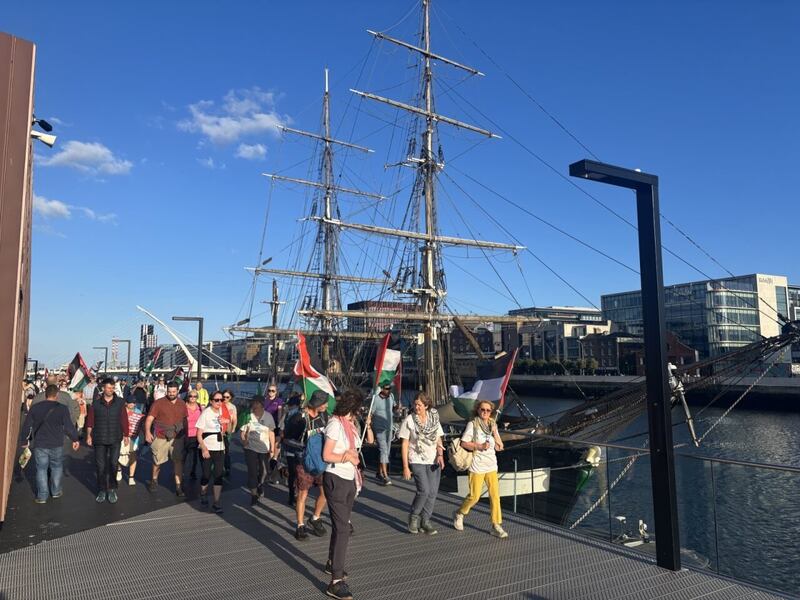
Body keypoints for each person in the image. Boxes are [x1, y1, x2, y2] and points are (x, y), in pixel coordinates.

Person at [321, 389, 364, 600]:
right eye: (356, 411)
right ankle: (336, 581)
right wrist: (346, 456)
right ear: (350, 408)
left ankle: (332, 562)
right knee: (343, 528)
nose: (357, 415)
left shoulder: (350, 426)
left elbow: (364, 445)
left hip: (349, 479)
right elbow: (327, 454)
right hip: (336, 477)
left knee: (341, 525)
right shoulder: (335, 425)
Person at [453, 400, 508, 539]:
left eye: (488, 410)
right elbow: (464, 442)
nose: (485, 412)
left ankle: (496, 525)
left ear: (491, 412)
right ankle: (460, 513)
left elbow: (498, 442)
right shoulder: (473, 424)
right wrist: (479, 446)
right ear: (478, 410)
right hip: (477, 466)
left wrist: (498, 443)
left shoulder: (492, 424)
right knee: (474, 496)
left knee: (495, 496)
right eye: (482, 409)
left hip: (491, 466)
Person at [19, 384, 80, 504]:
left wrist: (24, 441)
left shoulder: (36, 407)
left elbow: (27, 425)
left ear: (45, 394)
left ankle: (42, 496)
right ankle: (56, 491)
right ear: (57, 395)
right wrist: (75, 439)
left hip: (40, 443)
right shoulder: (62, 408)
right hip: (56, 443)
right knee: (56, 467)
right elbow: (68, 426)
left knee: (41, 469)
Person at [283, 390, 328, 540]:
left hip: (321, 460)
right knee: (303, 493)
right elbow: (286, 439)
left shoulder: (324, 416)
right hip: (304, 461)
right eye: (324, 403)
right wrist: (304, 446)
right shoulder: (299, 418)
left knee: (325, 492)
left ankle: (315, 517)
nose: (327, 406)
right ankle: (300, 525)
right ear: (317, 404)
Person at [398, 392, 445, 535]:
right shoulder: (409, 420)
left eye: (419, 404)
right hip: (417, 459)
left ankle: (426, 521)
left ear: (426, 405)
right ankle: (414, 517)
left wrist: (441, 454)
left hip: (433, 459)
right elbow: (405, 444)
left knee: (432, 492)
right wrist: (406, 466)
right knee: (423, 490)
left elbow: (438, 437)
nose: (416, 407)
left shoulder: (434, 418)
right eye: (415, 404)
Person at [86, 378, 130, 504]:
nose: (111, 390)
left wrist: (126, 435)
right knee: (100, 466)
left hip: (115, 437)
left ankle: (111, 489)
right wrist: (89, 435)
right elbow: (90, 421)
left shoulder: (120, 402)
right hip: (99, 438)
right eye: (109, 388)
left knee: (113, 464)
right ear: (103, 388)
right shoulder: (96, 403)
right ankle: (102, 489)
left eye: (113, 388)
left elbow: (124, 419)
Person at [144, 381, 188, 496]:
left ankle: (178, 486)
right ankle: (154, 480)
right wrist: (148, 432)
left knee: (178, 461)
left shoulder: (182, 403)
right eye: (169, 391)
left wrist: (186, 435)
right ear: (166, 391)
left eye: (174, 392)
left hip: (177, 437)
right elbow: (149, 419)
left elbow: (185, 420)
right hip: (161, 436)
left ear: (177, 391)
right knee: (157, 461)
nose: (171, 394)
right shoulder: (158, 403)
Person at [196, 391, 232, 513]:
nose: (219, 402)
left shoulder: (223, 411)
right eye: (216, 400)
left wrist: (227, 423)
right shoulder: (206, 413)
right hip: (208, 448)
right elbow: (199, 434)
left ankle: (216, 502)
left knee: (218, 475)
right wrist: (204, 448)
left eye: (221, 400)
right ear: (211, 401)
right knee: (206, 475)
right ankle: (203, 493)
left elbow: (230, 430)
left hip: (220, 448)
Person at [240, 395, 276, 505]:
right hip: (250, 448)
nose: (254, 405)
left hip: (264, 448)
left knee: (264, 471)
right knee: (252, 472)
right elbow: (242, 432)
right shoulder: (248, 416)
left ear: (261, 404)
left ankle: (260, 484)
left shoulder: (268, 416)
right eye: (253, 403)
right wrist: (244, 441)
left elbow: (271, 433)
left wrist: (272, 448)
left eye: (257, 403)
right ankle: (254, 495)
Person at [369, 383, 398, 486]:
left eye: (390, 388)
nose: (388, 390)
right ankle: (385, 476)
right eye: (386, 389)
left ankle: (379, 472)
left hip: (389, 427)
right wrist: (368, 423)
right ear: (382, 389)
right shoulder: (376, 399)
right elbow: (371, 413)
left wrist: (397, 407)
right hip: (379, 428)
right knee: (383, 450)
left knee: (387, 451)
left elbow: (394, 408)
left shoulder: (391, 396)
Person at [279, 393, 303, 507]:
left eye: (291, 405)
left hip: (289, 446)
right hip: (298, 447)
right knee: (296, 473)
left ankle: (292, 495)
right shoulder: (301, 416)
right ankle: (295, 495)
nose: (290, 407)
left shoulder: (288, 415)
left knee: (293, 473)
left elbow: (281, 430)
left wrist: (283, 438)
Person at [117, 396, 145, 485]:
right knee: (119, 454)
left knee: (133, 455)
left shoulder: (138, 412)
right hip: (121, 436)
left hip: (133, 437)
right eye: (130, 402)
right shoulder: (121, 411)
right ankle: (119, 470)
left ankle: (131, 477)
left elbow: (140, 424)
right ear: (126, 403)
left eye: (133, 403)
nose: (132, 404)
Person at [184, 388, 203, 481]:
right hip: (185, 434)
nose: (192, 398)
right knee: (183, 455)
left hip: (196, 435)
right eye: (191, 396)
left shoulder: (200, 407)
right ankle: (180, 472)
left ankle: (193, 472)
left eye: (195, 396)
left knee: (194, 456)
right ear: (188, 397)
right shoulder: (183, 407)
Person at [221, 389, 237, 477]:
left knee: (226, 449)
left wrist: (234, 428)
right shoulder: (219, 404)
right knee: (219, 449)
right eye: (224, 397)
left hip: (228, 429)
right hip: (219, 429)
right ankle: (218, 467)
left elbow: (234, 419)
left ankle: (227, 467)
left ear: (230, 398)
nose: (225, 399)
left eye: (227, 397)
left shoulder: (232, 407)